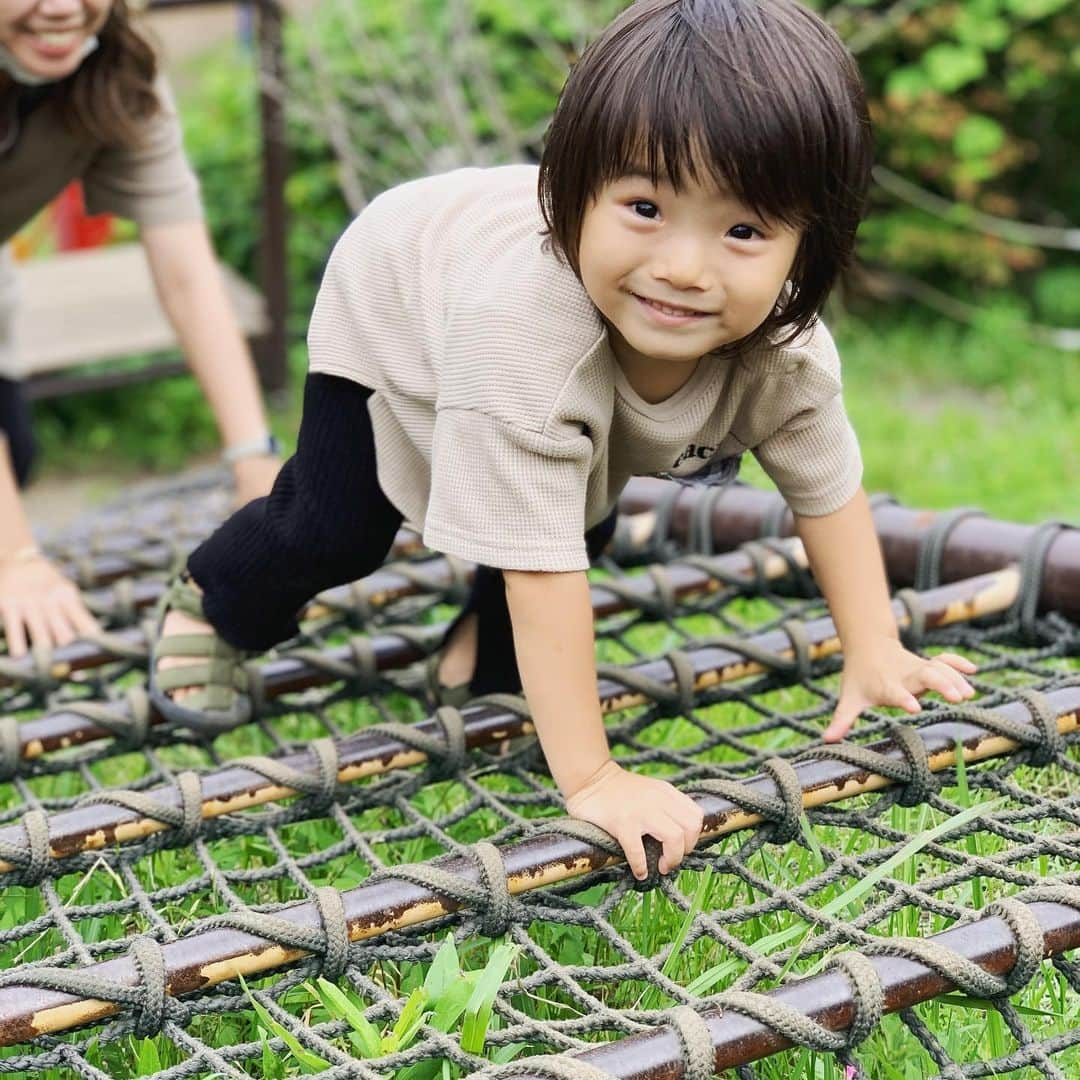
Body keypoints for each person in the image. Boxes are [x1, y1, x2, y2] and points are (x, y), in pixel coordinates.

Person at [152, 0, 977, 881]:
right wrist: (592, 777)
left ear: (808, 245)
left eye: (743, 231)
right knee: (339, 524)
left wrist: (875, 647)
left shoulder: (786, 354)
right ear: (572, 194)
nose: (684, 270)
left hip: (538, 372)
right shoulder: (528, 340)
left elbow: (828, 493)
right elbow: (540, 567)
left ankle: (476, 653)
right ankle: (215, 594)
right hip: (403, 293)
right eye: (644, 207)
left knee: (576, 514)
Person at [0, 0, 281, 659]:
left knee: (18, 451)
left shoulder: (119, 76)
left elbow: (186, 272)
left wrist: (254, 460)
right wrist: (15, 556)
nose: (64, 8)